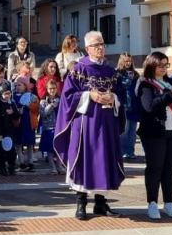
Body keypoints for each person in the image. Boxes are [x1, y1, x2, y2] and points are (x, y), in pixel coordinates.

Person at [54, 31, 125, 221]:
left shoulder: (111, 71)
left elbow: (121, 95)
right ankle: (81, 203)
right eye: (95, 45)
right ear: (87, 49)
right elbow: (67, 97)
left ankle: (100, 203)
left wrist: (114, 98)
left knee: (105, 160)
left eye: (101, 44)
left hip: (107, 122)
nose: (100, 48)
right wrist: (88, 96)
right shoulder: (78, 69)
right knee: (85, 159)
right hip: (86, 123)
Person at [138, 52, 172, 220]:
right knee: (155, 168)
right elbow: (149, 107)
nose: (164, 68)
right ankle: (152, 202)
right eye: (161, 65)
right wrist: (167, 95)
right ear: (152, 65)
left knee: (170, 169)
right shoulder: (145, 84)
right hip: (154, 133)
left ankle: (169, 202)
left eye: (166, 65)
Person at [115, 53, 140, 160]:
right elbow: (118, 88)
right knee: (124, 130)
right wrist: (127, 80)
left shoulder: (135, 74)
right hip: (123, 104)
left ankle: (130, 151)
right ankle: (122, 152)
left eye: (130, 61)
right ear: (121, 61)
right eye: (126, 61)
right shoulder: (117, 74)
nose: (128, 63)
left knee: (132, 131)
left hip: (134, 104)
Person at [0, 82, 19, 176]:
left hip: (10, 130)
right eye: (5, 94)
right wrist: (3, 113)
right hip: (0, 130)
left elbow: (17, 116)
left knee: (11, 150)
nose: (7, 96)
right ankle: (2, 167)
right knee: (1, 151)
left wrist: (12, 112)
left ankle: (11, 166)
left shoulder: (12, 102)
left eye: (9, 93)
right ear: (1, 93)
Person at [14, 77, 39, 172]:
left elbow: (36, 108)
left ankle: (30, 162)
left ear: (25, 86)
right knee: (18, 143)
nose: (17, 87)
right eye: (16, 85)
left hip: (29, 123)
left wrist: (30, 105)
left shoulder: (32, 96)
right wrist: (16, 111)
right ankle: (21, 162)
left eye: (19, 85)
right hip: (18, 123)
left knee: (29, 143)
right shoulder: (14, 96)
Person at [39, 80, 63, 174]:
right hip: (48, 128)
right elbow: (43, 113)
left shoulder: (60, 99)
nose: (52, 90)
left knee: (59, 148)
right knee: (49, 149)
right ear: (47, 89)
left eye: (54, 88)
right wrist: (51, 105)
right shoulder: (43, 101)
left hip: (59, 127)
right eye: (50, 88)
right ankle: (52, 168)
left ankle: (59, 167)